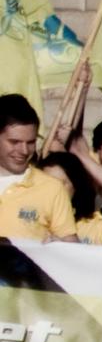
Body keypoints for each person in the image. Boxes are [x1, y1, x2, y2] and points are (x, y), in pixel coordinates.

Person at [0, 95, 94, 241]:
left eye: (31, 142)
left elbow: (71, 251)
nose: (24, 150)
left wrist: (58, 245)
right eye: (14, 142)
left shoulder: (52, 189)